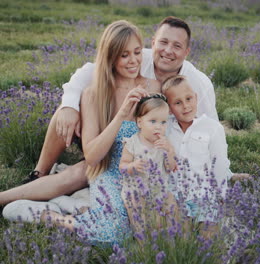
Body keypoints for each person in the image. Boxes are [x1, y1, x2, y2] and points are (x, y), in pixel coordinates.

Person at [0, 16, 216, 206]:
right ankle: (37, 175)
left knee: (77, 174)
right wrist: (69, 105)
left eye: (177, 46)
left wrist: (218, 170)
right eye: (164, 42)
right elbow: (86, 75)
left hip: (135, 158)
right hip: (103, 149)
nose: (168, 51)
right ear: (154, 43)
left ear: (187, 52)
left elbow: (208, 131)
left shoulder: (193, 84)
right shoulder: (103, 87)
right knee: (65, 120)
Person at [41, 20, 159, 245]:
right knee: (113, 235)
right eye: (124, 55)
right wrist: (121, 115)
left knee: (158, 226)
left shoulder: (152, 87)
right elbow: (93, 157)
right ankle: (56, 218)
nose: (134, 61)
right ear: (110, 57)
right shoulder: (93, 94)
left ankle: (80, 206)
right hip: (109, 173)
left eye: (137, 52)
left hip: (144, 172)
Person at [161, 75, 230, 239]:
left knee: (209, 235)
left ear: (196, 98)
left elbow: (219, 164)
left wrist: (221, 194)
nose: (185, 106)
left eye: (189, 99)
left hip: (204, 195)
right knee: (181, 236)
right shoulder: (167, 128)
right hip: (176, 195)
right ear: (169, 108)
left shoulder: (211, 128)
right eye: (177, 103)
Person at [118, 94, 177, 234]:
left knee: (172, 203)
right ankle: (142, 241)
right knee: (137, 210)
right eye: (153, 121)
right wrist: (132, 166)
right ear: (139, 122)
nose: (159, 127)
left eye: (163, 122)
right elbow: (122, 166)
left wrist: (169, 151)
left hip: (158, 189)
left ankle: (172, 236)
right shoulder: (132, 142)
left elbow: (170, 167)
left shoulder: (165, 143)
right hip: (136, 190)